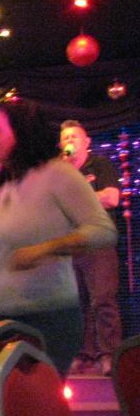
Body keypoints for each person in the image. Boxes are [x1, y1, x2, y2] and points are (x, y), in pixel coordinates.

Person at [0, 100, 117, 377]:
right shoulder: (1, 189)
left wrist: (46, 249)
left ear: (21, 131)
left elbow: (103, 231)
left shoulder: (58, 174)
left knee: (32, 402)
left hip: (48, 321)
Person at [59, 120, 123, 376]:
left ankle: (109, 355)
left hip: (98, 244)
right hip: (71, 245)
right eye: (65, 138)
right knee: (75, 305)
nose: (70, 141)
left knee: (103, 300)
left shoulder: (99, 165)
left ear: (86, 142)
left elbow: (112, 197)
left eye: (74, 136)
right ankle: (81, 355)